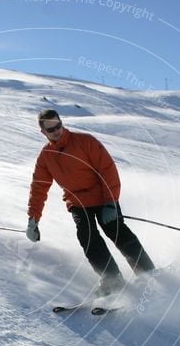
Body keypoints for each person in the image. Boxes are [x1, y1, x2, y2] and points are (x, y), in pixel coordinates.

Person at [26, 109, 155, 295]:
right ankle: (112, 279)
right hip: (77, 202)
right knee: (87, 236)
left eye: (58, 126)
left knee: (117, 231)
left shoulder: (85, 142)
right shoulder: (46, 156)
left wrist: (111, 201)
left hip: (103, 197)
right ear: (43, 132)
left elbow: (107, 169)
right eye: (51, 129)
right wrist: (33, 220)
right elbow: (38, 188)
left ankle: (147, 272)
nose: (57, 131)